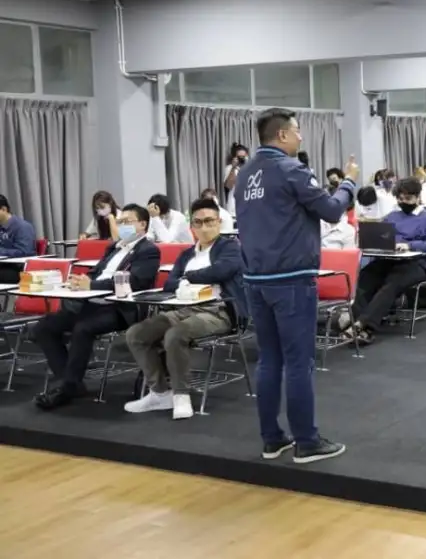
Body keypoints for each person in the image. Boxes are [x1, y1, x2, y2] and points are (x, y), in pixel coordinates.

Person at [236, 108, 358, 465]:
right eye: (297, 131)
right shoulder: (292, 170)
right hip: (290, 279)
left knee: (269, 360)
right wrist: (349, 183)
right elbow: (332, 210)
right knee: (299, 363)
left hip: (255, 279)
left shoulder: (245, 174)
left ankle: (272, 439)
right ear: (283, 135)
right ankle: (307, 441)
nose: (301, 137)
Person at [124, 198, 246, 420]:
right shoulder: (187, 254)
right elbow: (170, 283)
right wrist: (186, 280)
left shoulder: (230, 248)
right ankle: (160, 393)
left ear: (219, 222)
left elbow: (221, 271)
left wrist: (187, 277)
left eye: (209, 221)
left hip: (219, 311)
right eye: (198, 222)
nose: (204, 227)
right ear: (192, 226)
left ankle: (181, 395)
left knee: (175, 335)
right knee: (137, 334)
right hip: (184, 309)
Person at [32, 204, 161, 410]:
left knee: (83, 328)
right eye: (120, 222)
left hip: (120, 307)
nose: (122, 226)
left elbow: (136, 282)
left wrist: (92, 285)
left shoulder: (148, 250)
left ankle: (65, 388)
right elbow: (97, 272)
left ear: (143, 224)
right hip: (92, 301)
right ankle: (70, 383)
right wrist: (80, 281)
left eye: (127, 222)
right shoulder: (114, 247)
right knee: (44, 327)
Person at [339, 177, 426, 343]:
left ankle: (364, 325)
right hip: (391, 259)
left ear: (418, 197)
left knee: (392, 283)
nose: (404, 202)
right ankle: (357, 319)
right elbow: (382, 235)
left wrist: (410, 245)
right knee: (366, 275)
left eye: (408, 198)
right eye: (400, 199)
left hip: (418, 263)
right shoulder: (392, 216)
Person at [223, 143, 250, 215]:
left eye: (243, 157)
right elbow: (228, 186)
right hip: (234, 208)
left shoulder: (251, 168)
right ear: (234, 158)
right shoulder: (229, 168)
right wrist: (233, 167)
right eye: (239, 157)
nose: (241, 159)